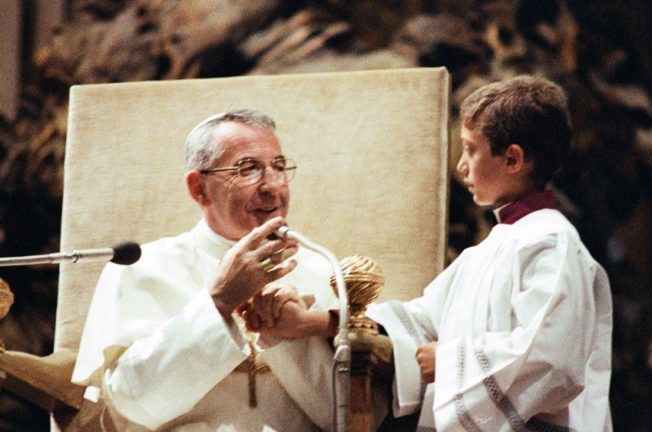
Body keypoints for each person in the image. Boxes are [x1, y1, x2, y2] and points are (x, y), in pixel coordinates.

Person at [362, 75, 614, 431]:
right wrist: (329, 321)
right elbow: (424, 319)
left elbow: (551, 359)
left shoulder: (552, 243)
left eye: (470, 149)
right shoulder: (497, 243)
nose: (462, 166)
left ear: (513, 159)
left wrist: (449, 364)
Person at [72, 110, 340, 431]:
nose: (272, 185)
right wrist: (219, 303)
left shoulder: (319, 267)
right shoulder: (142, 267)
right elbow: (133, 405)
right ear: (199, 188)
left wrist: (291, 333)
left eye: (279, 167)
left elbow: (347, 414)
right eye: (249, 168)